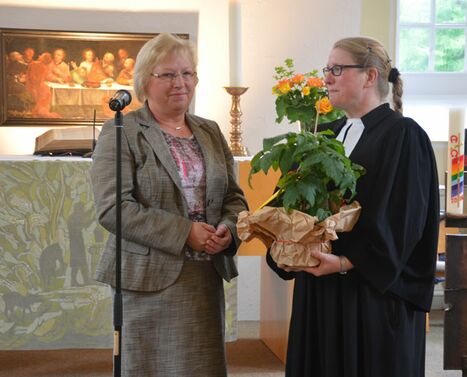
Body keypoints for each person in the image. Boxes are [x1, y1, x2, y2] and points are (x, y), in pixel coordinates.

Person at [266, 36, 440, 377]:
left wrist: (346, 262)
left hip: (370, 293)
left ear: (370, 76)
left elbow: (405, 222)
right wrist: (287, 242)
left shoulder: (403, 135)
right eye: (327, 69)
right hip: (320, 285)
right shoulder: (326, 134)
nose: (327, 78)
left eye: (337, 69)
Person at [90, 32, 247, 377]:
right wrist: (184, 232)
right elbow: (113, 207)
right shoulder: (122, 131)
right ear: (145, 81)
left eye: (187, 73)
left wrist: (228, 229)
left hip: (204, 275)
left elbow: (234, 197)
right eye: (169, 74)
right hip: (148, 279)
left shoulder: (209, 130)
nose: (181, 83)